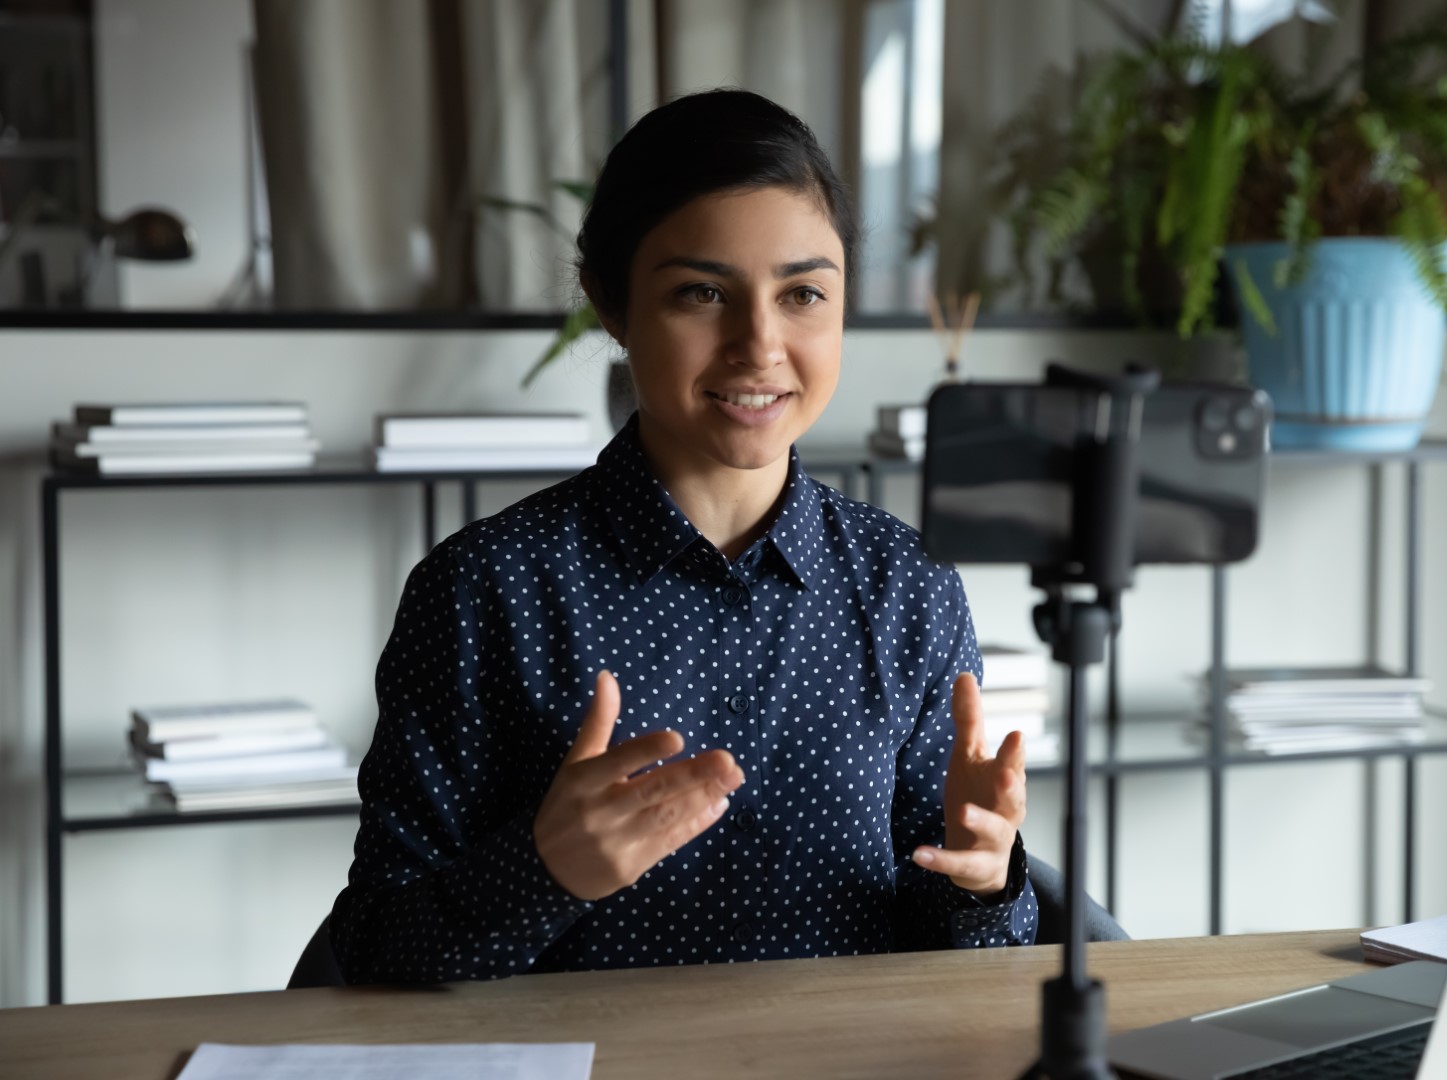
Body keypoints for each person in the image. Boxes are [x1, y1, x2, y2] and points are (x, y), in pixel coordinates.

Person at [329, 88, 1049, 984]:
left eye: (803, 294)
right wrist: (542, 872)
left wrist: (984, 885)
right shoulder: (486, 591)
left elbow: (964, 966)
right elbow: (362, 961)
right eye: (701, 293)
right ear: (612, 304)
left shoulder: (907, 584)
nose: (759, 344)